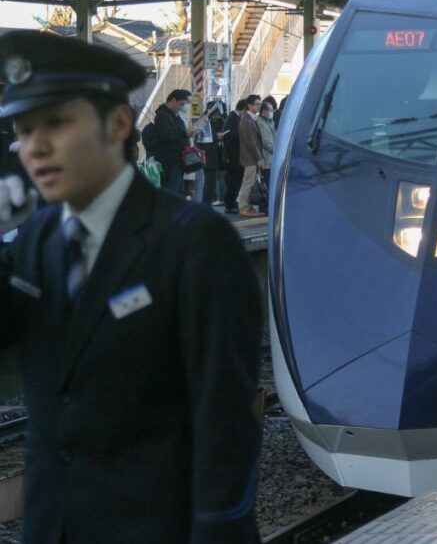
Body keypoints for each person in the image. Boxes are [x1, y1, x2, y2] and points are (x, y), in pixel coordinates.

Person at [0, 30, 262, 543]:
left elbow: (226, 420)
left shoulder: (195, 243)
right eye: (25, 130)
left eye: (57, 123)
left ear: (118, 123)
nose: (37, 147)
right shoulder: (36, 240)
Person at [153, 89, 192, 195]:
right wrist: (184, 133)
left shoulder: (174, 115)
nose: (181, 107)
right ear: (173, 100)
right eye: (181, 104)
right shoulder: (162, 115)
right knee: (171, 192)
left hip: (178, 160)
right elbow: (166, 135)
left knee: (177, 192)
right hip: (169, 161)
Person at [236, 94, 263, 218]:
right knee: (248, 182)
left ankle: (247, 206)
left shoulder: (250, 119)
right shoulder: (246, 120)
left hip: (250, 157)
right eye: (256, 104)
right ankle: (243, 207)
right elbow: (251, 141)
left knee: (249, 182)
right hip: (249, 157)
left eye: (259, 104)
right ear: (249, 105)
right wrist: (259, 157)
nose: (259, 106)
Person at [221, 99, 245, 214]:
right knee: (234, 181)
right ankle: (230, 204)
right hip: (234, 156)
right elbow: (234, 137)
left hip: (234, 156)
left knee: (234, 181)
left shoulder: (234, 117)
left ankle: (231, 203)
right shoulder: (234, 119)